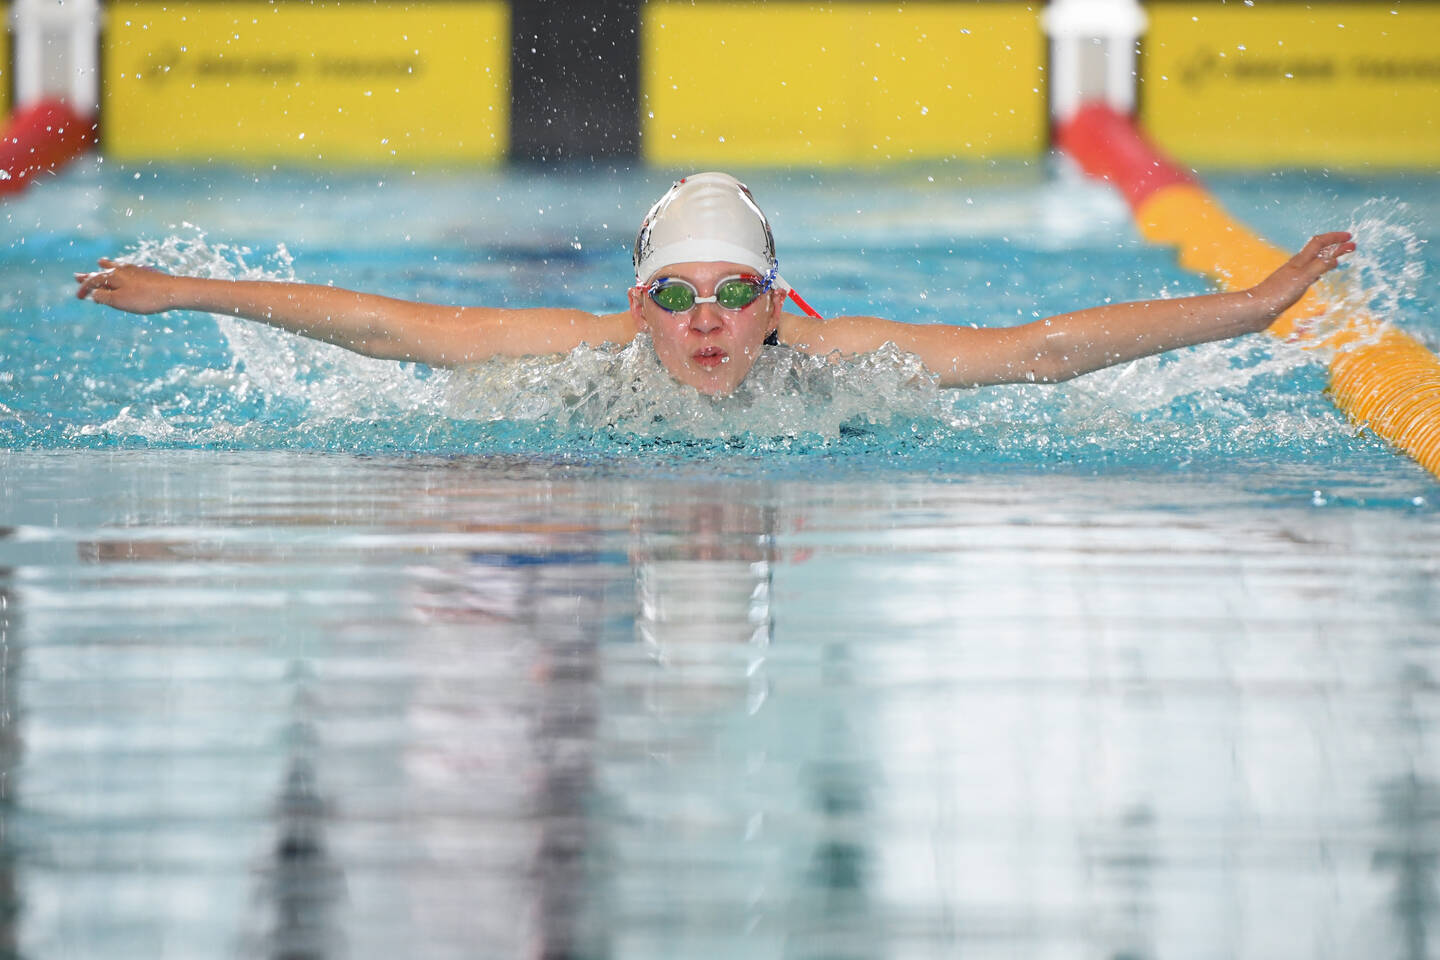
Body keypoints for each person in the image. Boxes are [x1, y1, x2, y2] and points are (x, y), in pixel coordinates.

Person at [75, 172, 1355, 397]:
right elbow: (384, 328)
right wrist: (187, 291)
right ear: (636, 306)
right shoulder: (580, 358)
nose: (703, 323)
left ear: (776, 303)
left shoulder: (839, 363)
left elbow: (1039, 351)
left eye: (730, 295)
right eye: (674, 297)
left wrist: (1252, 306)